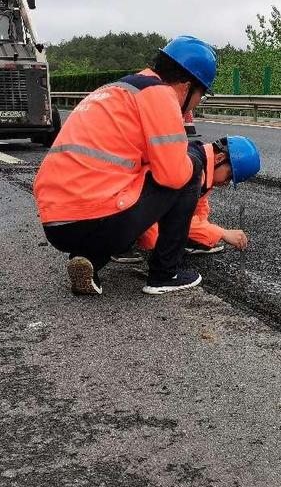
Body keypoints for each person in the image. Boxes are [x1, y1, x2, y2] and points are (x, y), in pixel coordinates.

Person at [33, 35, 217, 295]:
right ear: (187, 87)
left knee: (128, 184)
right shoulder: (160, 94)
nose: (196, 105)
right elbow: (174, 176)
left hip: (56, 222)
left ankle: (88, 260)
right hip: (95, 216)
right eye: (202, 96)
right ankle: (166, 273)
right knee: (189, 169)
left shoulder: (114, 90)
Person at [137, 136, 261, 255]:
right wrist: (222, 233)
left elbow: (199, 205)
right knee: (155, 242)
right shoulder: (191, 168)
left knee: (178, 237)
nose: (226, 183)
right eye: (229, 176)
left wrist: (203, 233)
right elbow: (177, 218)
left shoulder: (206, 165)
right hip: (131, 203)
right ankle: (121, 243)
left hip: (145, 203)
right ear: (220, 158)